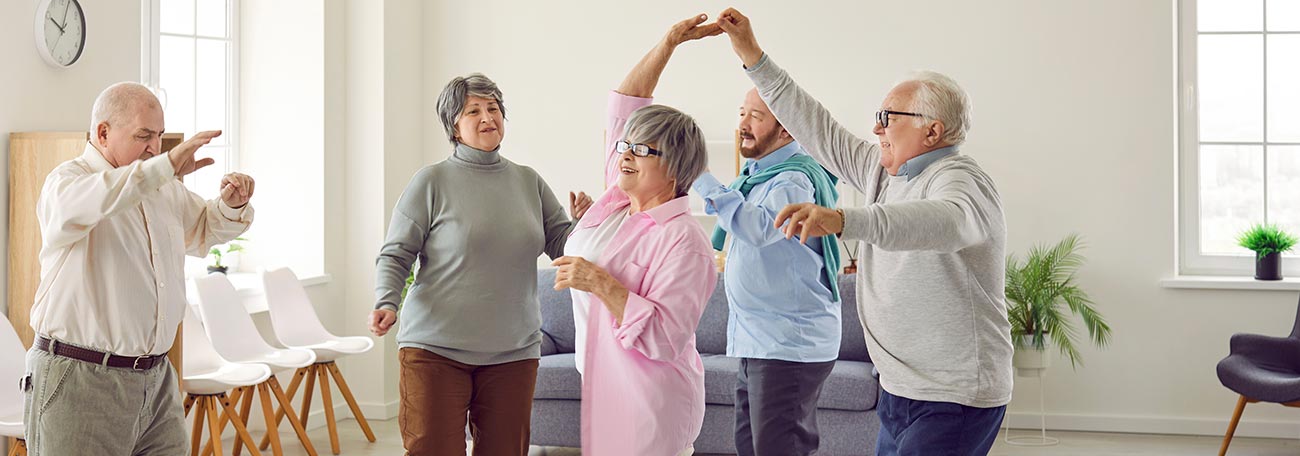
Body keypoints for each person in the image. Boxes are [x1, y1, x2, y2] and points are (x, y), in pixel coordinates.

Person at [716, 8, 1014, 455]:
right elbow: (817, 127)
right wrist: (753, 56)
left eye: (888, 116)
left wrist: (845, 220)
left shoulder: (960, 178)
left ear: (932, 130)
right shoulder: (884, 173)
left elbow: (943, 221)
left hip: (953, 396)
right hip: (901, 389)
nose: (876, 127)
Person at [23, 81, 255, 455]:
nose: (155, 147)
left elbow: (204, 229)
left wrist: (231, 204)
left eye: (160, 136)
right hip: (81, 380)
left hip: (156, 380)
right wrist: (166, 167)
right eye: (143, 135)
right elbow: (110, 193)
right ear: (102, 133)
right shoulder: (66, 183)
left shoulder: (162, 189)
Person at [369, 73, 592, 456]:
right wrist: (386, 300)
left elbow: (562, 246)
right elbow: (397, 252)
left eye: (493, 108)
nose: (487, 116)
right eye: (474, 110)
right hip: (435, 348)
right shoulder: (432, 181)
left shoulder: (528, 181)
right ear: (453, 126)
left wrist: (583, 225)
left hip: (513, 351)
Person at [550, 14, 719, 456]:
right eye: (624, 146)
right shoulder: (618, 200)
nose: (625, 154)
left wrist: (600, 281)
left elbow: (664, 338)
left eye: (642, 150)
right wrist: (669, 43)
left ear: (675, 169)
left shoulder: (685, 241)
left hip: (653, 404)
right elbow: (626, 103)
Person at [692, 56, 844, 456]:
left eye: (756, 116)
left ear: (786, 128)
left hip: (787, 345)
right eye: (742, 113)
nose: (743, 123)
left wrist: (699, 175)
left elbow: (759, 228)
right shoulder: (756, 178)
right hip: (760, 341)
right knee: (751, 446)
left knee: (779, 449)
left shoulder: (794, 178)